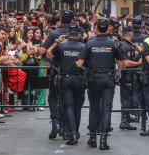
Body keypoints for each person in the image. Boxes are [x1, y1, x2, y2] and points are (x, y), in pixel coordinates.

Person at [76, 18, 123, 150]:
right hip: (108, 78)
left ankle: (92, 138)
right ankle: (103, 139)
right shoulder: (112, 43)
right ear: (108, 28)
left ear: (96, 27)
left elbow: (79, 63)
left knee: (94, 107)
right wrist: (118, 73)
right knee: (107, 108)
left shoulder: (90, 43)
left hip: (94, 78)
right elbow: (120, 61)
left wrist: (87, 68)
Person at [37, 10, 74, 139]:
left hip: (56, 70)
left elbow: (41, 51)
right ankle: (64, 126)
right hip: (72, 71)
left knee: (53, 97)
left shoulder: (54, 33)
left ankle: (56, 123)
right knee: (67, 99)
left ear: (60, 21)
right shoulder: (76, 33)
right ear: (72, 21)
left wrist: (54, 43)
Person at [47, 23, 85, 145]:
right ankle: (76, 131)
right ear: (79, 34)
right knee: (77, 108)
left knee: (68, 106)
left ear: (68, 34)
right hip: (79, 78)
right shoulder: (83, 46)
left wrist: (57, 42)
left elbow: (48, 54)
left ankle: (72, 132)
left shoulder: (62, 45)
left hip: (65, 79)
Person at [118, 26, 142, 130]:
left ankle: (127, 116)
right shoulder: (124, 46)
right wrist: (139, 63)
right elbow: (126, 63)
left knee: (129, 96)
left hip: (130, 75)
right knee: (126, 97)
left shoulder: (128, 44)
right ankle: (124, 121)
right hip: (126, 75)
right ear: (131, 34)